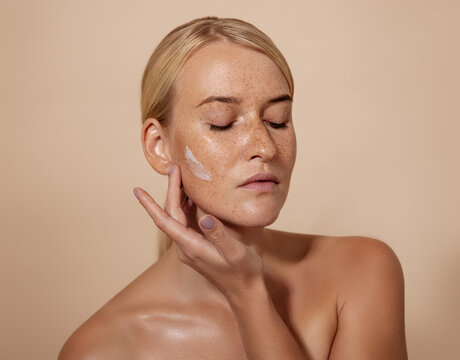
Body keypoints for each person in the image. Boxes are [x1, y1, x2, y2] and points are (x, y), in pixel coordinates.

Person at [58, 16, 408, 359]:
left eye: (278, 120)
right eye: (222, 124)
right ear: (159, 146)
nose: (266, 147)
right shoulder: (103, 347)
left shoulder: (361, 271)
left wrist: (248, 293)